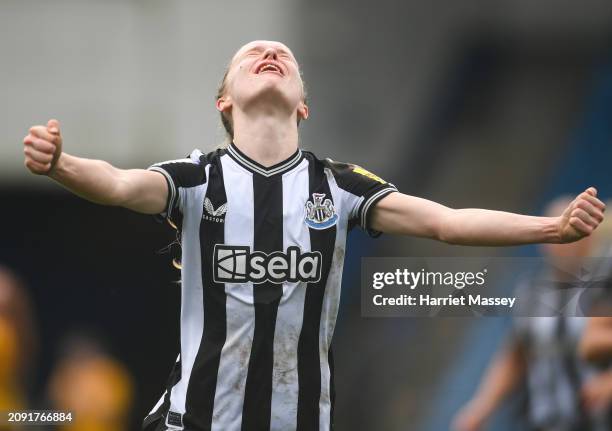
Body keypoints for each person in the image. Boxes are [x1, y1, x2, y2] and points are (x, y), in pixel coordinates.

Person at [22, 40, 605, 431]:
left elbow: (446, 222)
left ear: (304, 105)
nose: (271, 51)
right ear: (225, 101)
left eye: (284, 56)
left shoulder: (341, 186)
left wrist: (551, 227)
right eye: (251, 54)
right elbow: (121, 185)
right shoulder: (198, 178)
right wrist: (61, 165)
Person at [452, 197, 610, 431]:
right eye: (558, 231)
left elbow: (593, 342)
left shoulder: (603, 284)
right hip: (547, 422)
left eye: (575, 231)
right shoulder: (531, 292)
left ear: (590, 237)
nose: (565, 240)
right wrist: (482, 405)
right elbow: (517, 353)